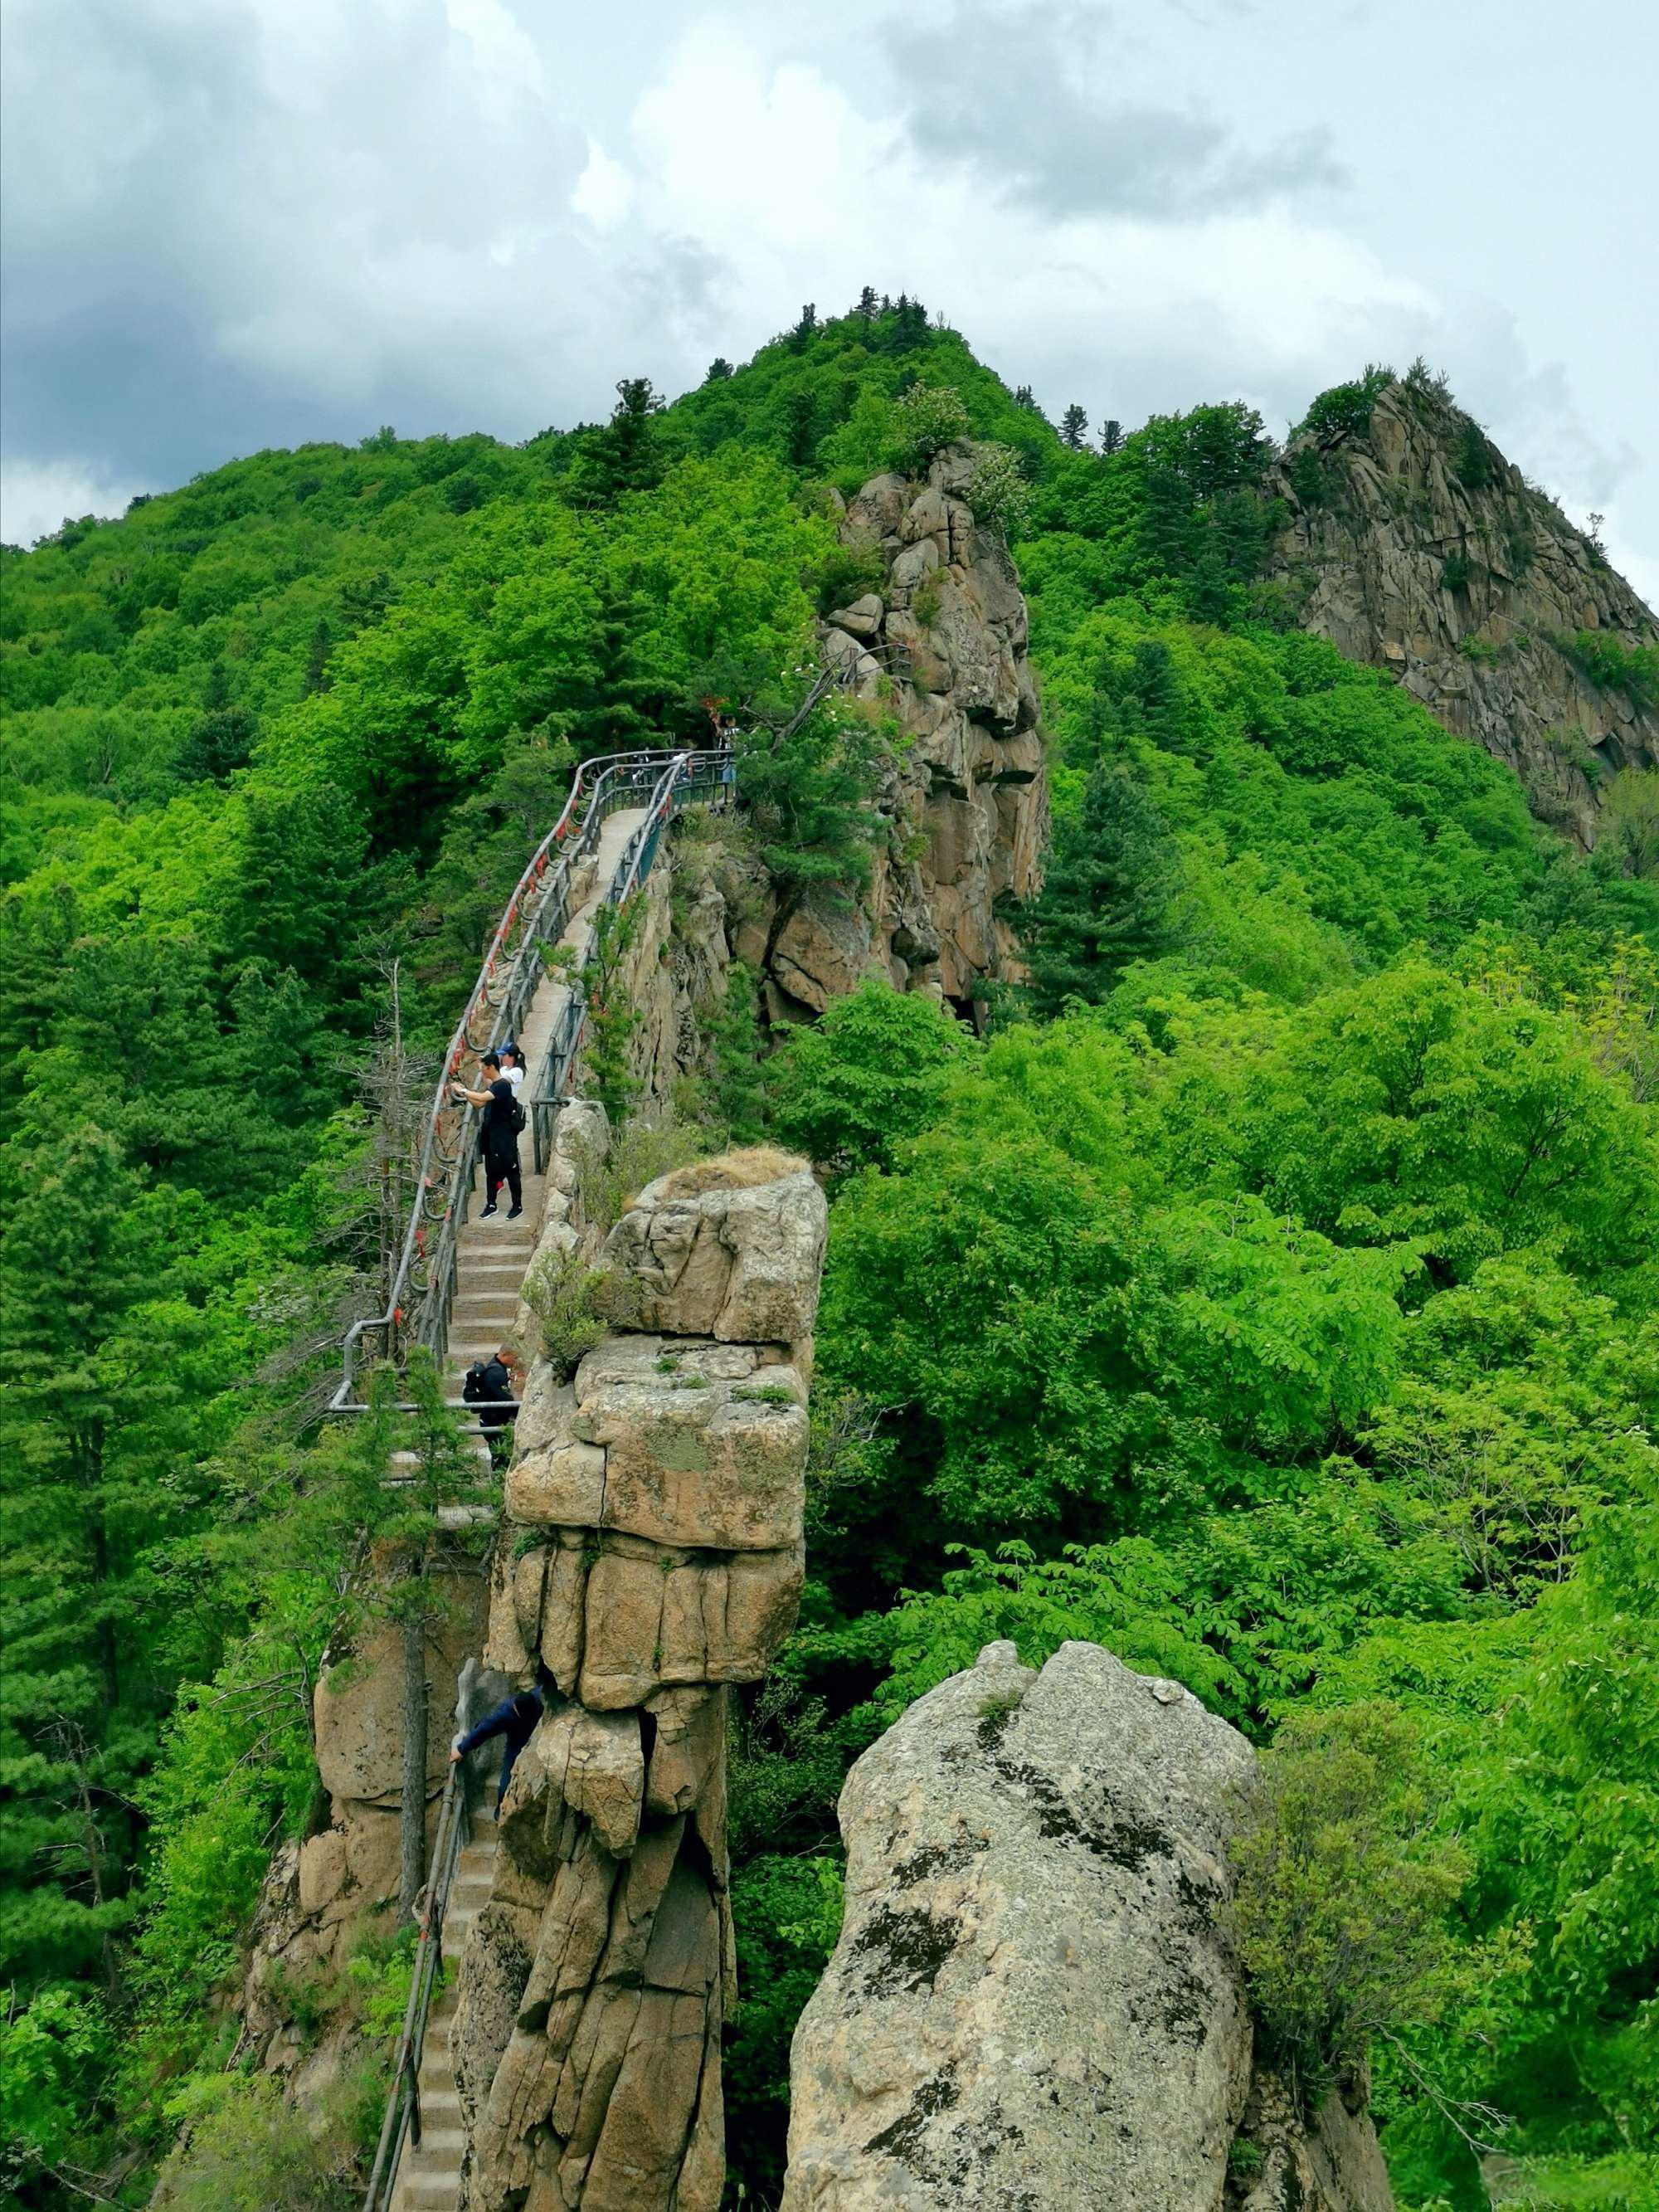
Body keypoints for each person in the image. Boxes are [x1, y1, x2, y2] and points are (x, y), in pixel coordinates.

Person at [450, 1677, 546, 1807]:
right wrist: (462, 1749)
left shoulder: (535, 1701)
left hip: (536, 1742)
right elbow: (484, 1729)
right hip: (516, 1746)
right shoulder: (508, 1712)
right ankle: (500, 1811)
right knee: (506, 1787)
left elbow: (485, 1729)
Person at [451, 1051, 522, 1219]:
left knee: (511, 1169)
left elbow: (483, 1096)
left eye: (483, 1068)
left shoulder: (502, 1086)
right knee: (491, 1170)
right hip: (492, 1135)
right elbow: (479, 1103)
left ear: (490, 1068)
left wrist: (464, 1090)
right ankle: (491, 1204)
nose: (481, 1072)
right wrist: (464, 1094)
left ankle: (517, 1206)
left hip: (505, 1135)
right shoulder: (494, 1087)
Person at [462, 1347, 515, 1469]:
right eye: (514, 1358)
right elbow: (505, 1398)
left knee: (500, 1453)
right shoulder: (496, 1373)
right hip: (494, 1420)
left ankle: (498, 1475)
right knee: (501, 1455)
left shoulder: (496, 1368)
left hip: (490, 1419)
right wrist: (520, 1412)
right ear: (505, 1355)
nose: (515, 1361)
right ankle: (498, 1476)